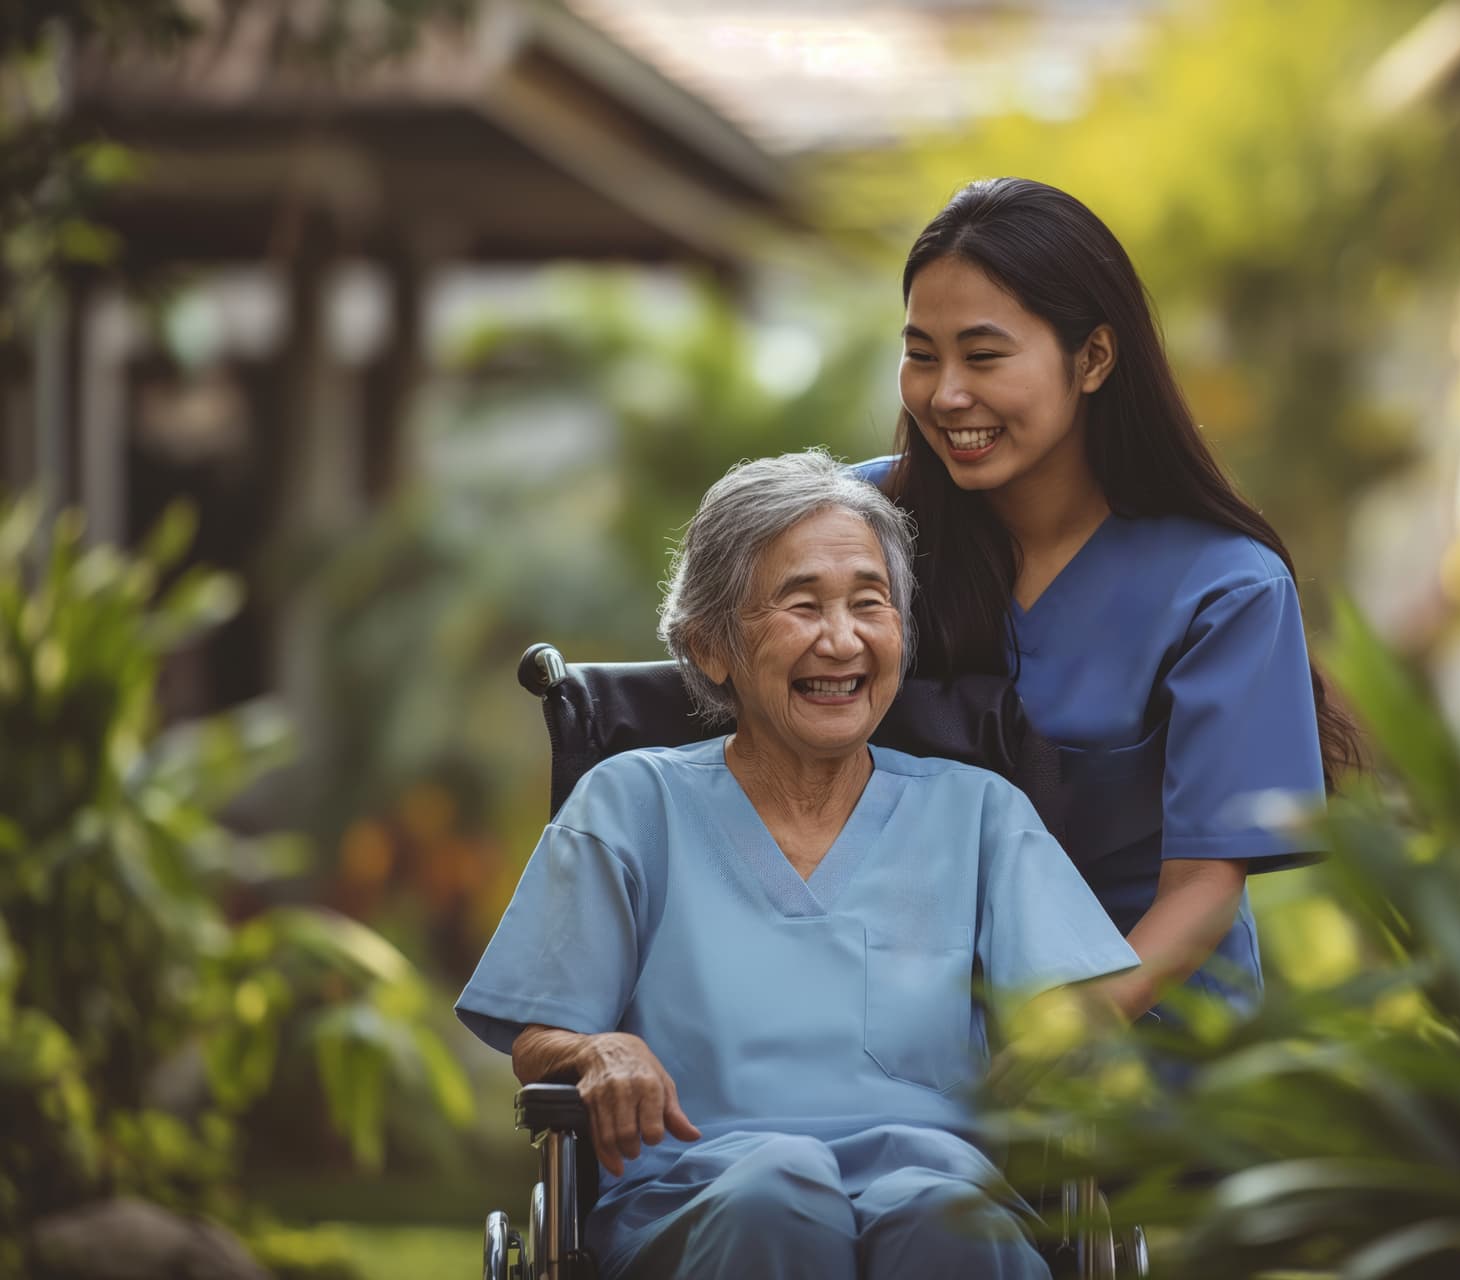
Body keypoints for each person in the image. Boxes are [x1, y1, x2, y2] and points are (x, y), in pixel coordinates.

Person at [455, 451, 1137, 1280]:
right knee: (782, 1191)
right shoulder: (632, 804)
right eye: (802, 604)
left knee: (938, 1214)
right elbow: (539, 1037)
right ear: (711, 646)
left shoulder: (981, 813)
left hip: (940, 1186)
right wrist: (598, 1052)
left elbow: (1076, 1013)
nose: (842, 639)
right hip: (696, 1195)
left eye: (869, 603)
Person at [859, 177, 1360, 1022]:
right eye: (920, 353)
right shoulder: (854, 534)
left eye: (984, 357)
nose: (946, 395)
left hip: (1141, 1070)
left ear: (1092, 358)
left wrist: (1064, 1034)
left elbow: (1202, 886)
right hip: (892, 1041)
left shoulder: (1226, 589)